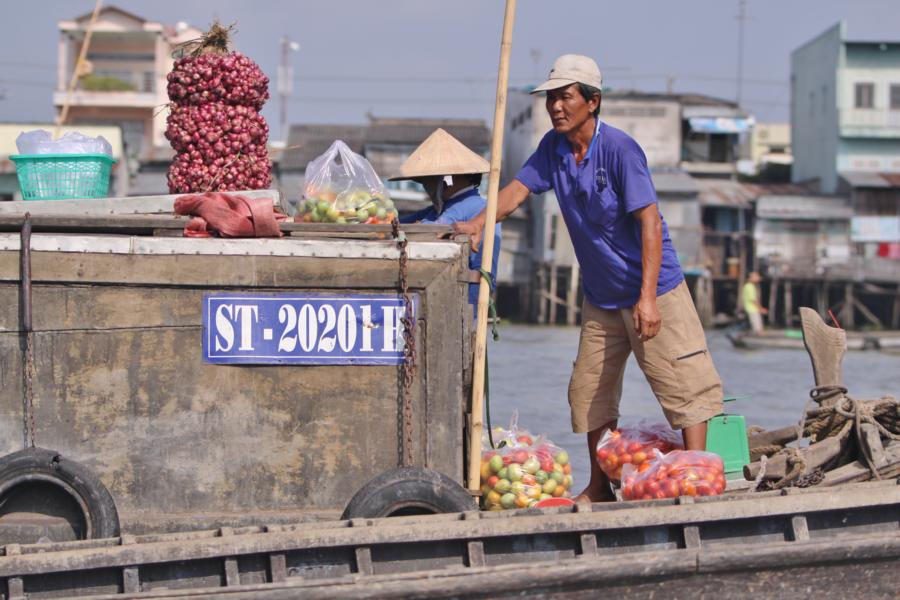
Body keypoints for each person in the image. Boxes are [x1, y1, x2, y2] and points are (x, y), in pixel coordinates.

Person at [453, 55, 723, 502]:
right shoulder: (553, 149)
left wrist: (648, 299)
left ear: (592, 102)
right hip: (601, 296)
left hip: (653, 289)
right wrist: (477, 223)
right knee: (589, 390)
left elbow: (650, 223)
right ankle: (600, 486)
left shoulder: (619, 149)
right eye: (551, 99)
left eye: (565, 97)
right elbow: (517, 192)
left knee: (683, 384)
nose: (556, 107)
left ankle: (700, 480)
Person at [390, 128, 501, 310]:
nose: (427, 188)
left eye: (430, 181)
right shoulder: (437, 210)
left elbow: (429, 230)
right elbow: (399, 224)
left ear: (448, 180)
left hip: (462, 306)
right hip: (436, 300)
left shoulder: (475, 208)